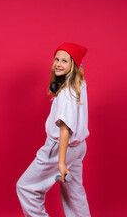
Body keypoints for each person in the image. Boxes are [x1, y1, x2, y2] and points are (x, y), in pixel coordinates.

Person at [16, 42, 91, 216]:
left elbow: (64, 129)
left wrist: (61, 162)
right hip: (78, 147)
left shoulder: (66, 94)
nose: (58, 63)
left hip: (59, 148)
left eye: (65, 61)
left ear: (73, 65)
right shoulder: (80, 85)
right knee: (74, 194)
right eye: (56, 59)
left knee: (26, 187)